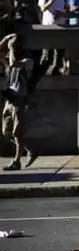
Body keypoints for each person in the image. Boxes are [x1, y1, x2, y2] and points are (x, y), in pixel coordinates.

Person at [0, 33, 37, 170]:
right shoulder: (9, 59)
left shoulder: (27, 61)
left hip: (19, 99)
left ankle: (16, 161)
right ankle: (30, 149)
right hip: (9, 98)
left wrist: (10, 49)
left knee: (17, 131)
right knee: (6, 131)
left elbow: (13, 63)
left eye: (14, 47)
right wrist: (7, 39)